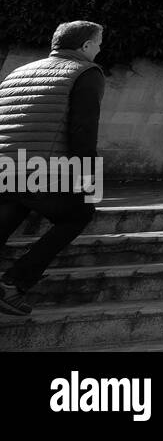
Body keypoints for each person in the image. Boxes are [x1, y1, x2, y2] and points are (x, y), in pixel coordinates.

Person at [0, 21, 105, 315]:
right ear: (85, 46)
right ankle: (15, 283)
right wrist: (89, 184)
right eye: (98, 43)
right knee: (78, 214)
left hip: (6, 167)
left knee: (13, 207)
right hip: (44, 169)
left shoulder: (18, 71)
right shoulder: (86, 72)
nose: (99, 49)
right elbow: (83, 132)